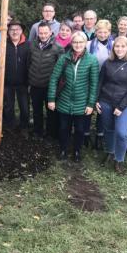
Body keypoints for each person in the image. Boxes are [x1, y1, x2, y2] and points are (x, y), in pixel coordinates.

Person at [47, 31, 99, 162]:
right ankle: (63, 149)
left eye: (80, 42)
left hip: (82, 102)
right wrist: (51, 99)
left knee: (80, 129)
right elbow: (54, 79)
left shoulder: (92, 60)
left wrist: (90, 104)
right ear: (71, 43)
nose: (78, 45)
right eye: (75, 42)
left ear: (85, 43)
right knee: (64, 127)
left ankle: (77, 151)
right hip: (64, 100)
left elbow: (94, 85)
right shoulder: (64, 58)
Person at [96, 36, 127, 174]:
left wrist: (121, 107)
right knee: (109, 130)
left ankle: (119, 159)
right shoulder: (107, 63)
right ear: (113, 48)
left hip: (124, 105)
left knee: (122, 134)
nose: (119, 49)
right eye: (117, 46)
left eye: (123, 46)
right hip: (106, 101)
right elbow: (100, 82)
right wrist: (96, 100)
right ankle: (110, 152)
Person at [27, 21, 64, 138]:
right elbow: (28, 63)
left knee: (51, 112)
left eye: (45, 33)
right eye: (41, 33)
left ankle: (50, 133)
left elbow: (61, 69)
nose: (43, 35)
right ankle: (37, 131)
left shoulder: (58, 48)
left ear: (51, 32)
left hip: (49, 86)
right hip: (35, 85)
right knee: (37, 111)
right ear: (38, 33)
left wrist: (57, 87)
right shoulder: (32, 45)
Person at [0, 19, 30, 130]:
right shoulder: (2, 44)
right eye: (12, 29)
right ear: (8, 32)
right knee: (8, 106)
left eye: (17, 29)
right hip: (7, 82)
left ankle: (24, 126)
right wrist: (3, 75)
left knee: (24, 107)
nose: (14, 32)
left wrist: (28, 79)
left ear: (21, 31)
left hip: (23, 82)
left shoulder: (28, 45)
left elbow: (31, 63)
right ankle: (10, 126)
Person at [84, 19, 114, 147]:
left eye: (105, 32)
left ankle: (99, 136)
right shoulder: (88, 44)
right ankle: (85, 134)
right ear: (96, 32)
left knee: (102, 108)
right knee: (88, 106)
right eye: (99, 32)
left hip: (107, 81)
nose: (102, 34)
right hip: (89, 80)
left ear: (109, 32)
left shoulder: (113, 45)